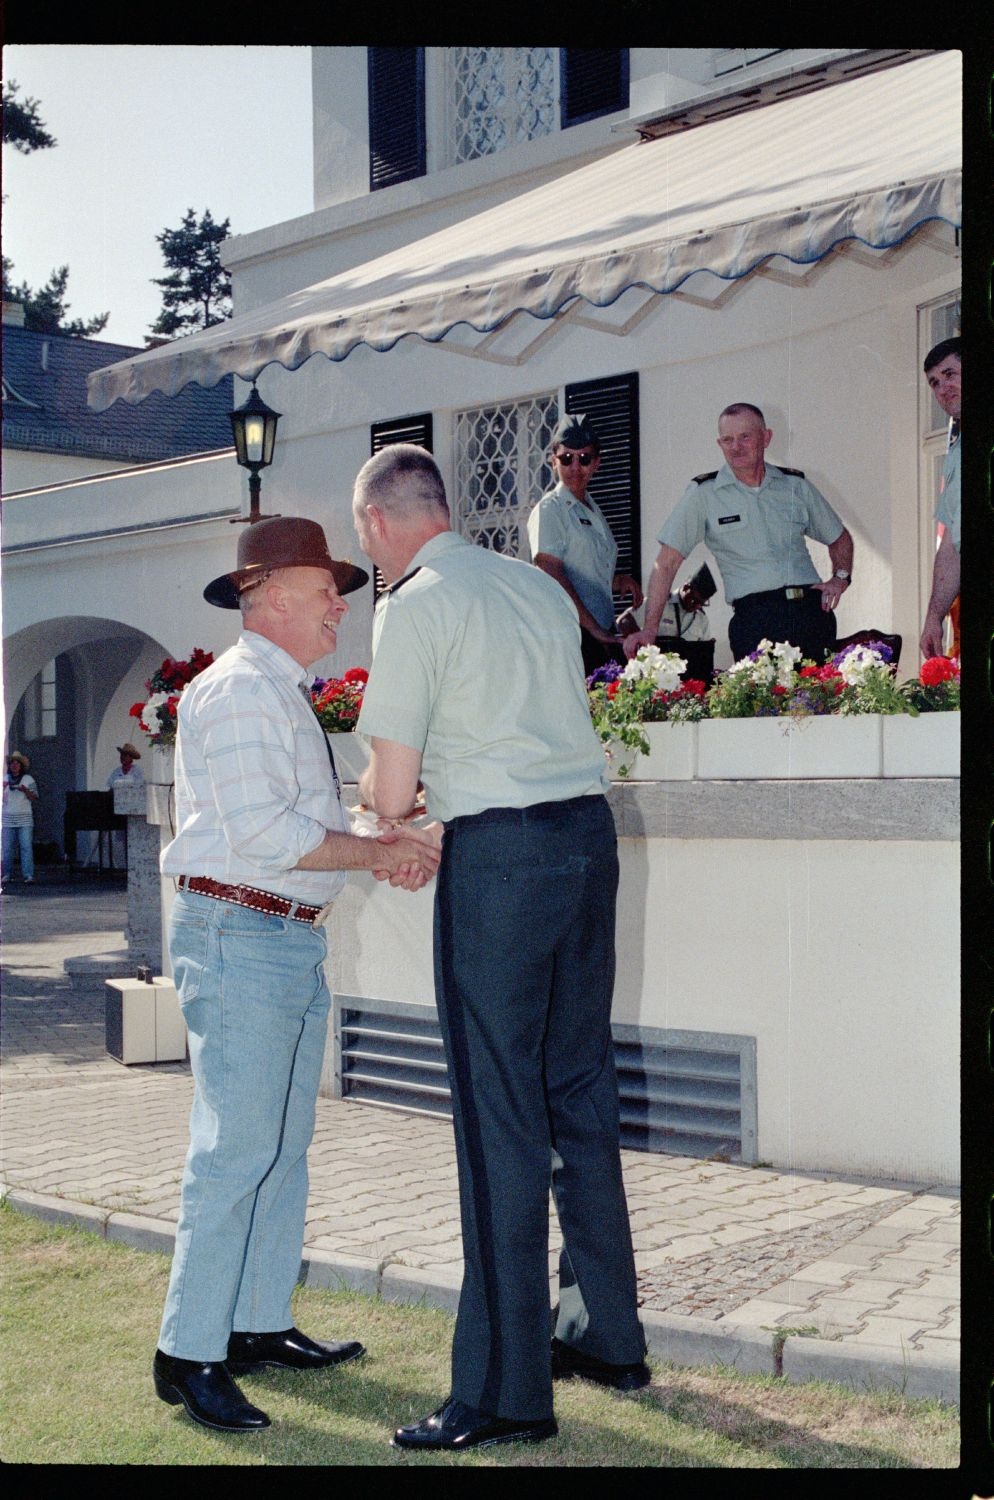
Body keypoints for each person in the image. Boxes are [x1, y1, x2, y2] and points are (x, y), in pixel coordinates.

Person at [352, 445, 648, 1455]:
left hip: (502, 863)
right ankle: (607, 1335)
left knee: (498, 1121)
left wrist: (378, 809)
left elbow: (392, 794)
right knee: (580, 1094)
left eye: (365, 538)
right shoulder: (530, 583)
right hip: (585, 843)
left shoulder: (414, 601)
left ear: (383, 522)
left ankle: (504, 1390)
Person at [153, 516, 441, 1435]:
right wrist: (377, 851)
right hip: (242, 934)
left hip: (275, 936)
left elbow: (295, 824)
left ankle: (256, 1324)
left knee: (279, 1144)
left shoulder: (277, 692)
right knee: (237, 1150)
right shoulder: (239, 692)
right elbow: (268, 838)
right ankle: (190, 1352)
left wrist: (380, 834)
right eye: (327, 593)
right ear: (272, 596)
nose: (339, 609)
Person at [624, 403, 855, 664]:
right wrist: (651, 627)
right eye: (727, 440)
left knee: (821, 702)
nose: (736, 447)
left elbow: (840, 539)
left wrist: (841, 578)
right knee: (765, 706)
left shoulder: (795, 487)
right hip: (755, 622)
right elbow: (665, 563)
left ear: (766, 437)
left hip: (811, 615)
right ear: (719, 444)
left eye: (745, 437)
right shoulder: (704, 495)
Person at [527, 413, 643, 676]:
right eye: (567, 459)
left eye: (584, 459)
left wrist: (616, 581)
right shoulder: (551, 509)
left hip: (596, 634)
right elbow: (550, 572)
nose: (575, 467)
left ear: (596, 464)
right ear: (553, 461)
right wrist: (592, 628)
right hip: (568, 634)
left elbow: (581, 566)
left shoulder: (591, 508)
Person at [919, 337, 961, 660]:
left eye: (951, 374)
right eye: (935, 382)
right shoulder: (956, 454)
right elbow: (950, 545)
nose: (942, 388)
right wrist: (934, 616)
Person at [2, 751, 39, 885]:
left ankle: (28, 874)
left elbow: (35, 798)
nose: (15, 765)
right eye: (12, 763)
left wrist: (25, 790)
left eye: (17, 763)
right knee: (6, 848)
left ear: (21, 765)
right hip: (7, 818)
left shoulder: (28, 779)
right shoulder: (4, 779)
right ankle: (6, 874)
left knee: (26, 846)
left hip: (24, 818)